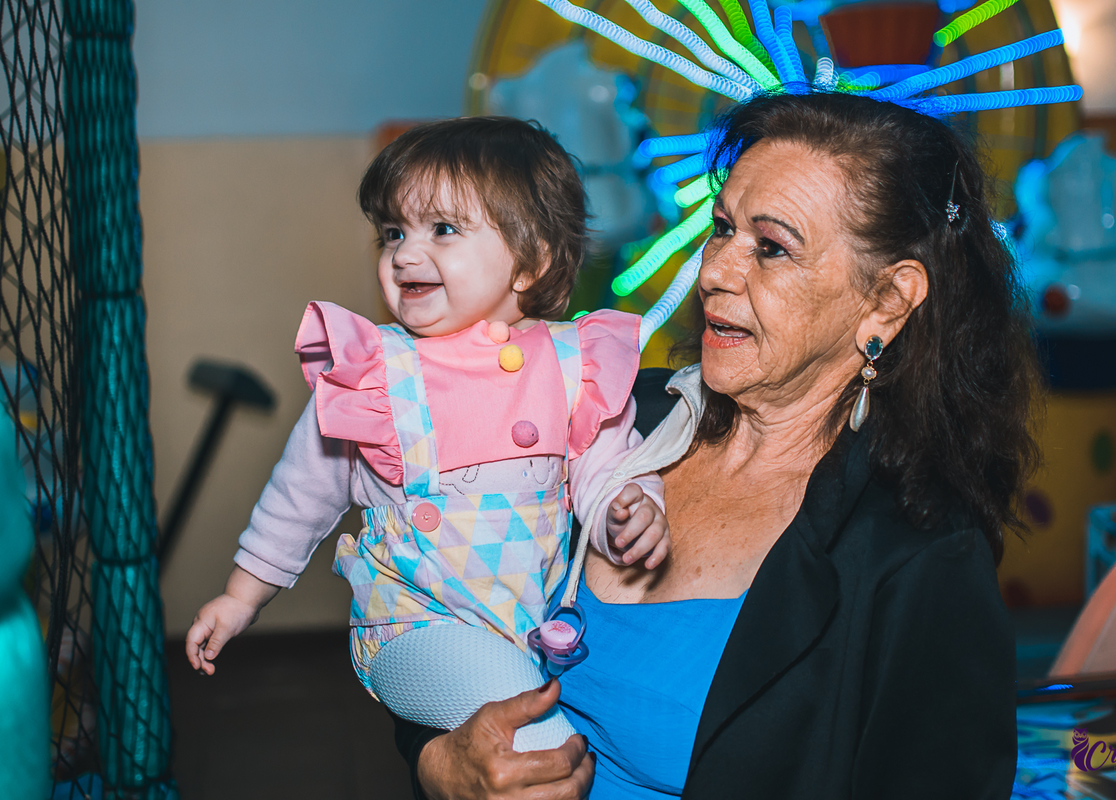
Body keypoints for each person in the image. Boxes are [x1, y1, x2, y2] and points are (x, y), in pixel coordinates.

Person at [394, 91, 1037, 800]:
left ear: (887, 300)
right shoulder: (605, 417)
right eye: (721, 228)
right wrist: (440, 763)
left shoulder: (916, 558)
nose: (715, 272)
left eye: (771, 247)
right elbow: (427, 607)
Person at [184, 116, 672, 752]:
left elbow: (609, 468)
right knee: (538, 742)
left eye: (442, 230)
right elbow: (299, 494)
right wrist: (240, 597)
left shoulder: (573, 362)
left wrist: (631, 508)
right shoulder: (375, 371)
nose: (405, 254)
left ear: (531, 261)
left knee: (609, 726)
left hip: (538, 620)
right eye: (393, 233)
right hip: (414, 625)